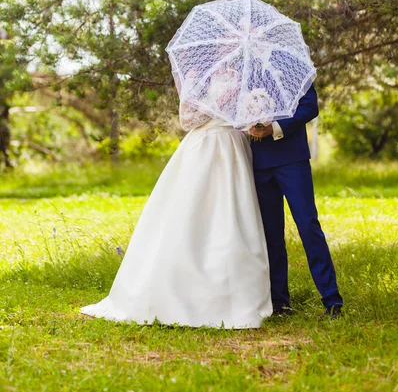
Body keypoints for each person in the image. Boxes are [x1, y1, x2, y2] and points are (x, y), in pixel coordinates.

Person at [81, 78, 273, 328]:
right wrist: (216, 104)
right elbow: (186, 120)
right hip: (205, 145)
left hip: (235, 146)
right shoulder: (195, 74)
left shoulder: (246, 73)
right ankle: (179, 291)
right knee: (193, 214)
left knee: (234, 217)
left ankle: (237, 294)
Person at [249, 83, 343, 318]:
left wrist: (275, 127)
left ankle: (332, 302)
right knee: (271, 235)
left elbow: (310, 107)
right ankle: (280, 304)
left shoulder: (293, 63)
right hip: (258, 162)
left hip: (292, 159)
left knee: (308, 226)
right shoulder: (246, 69)